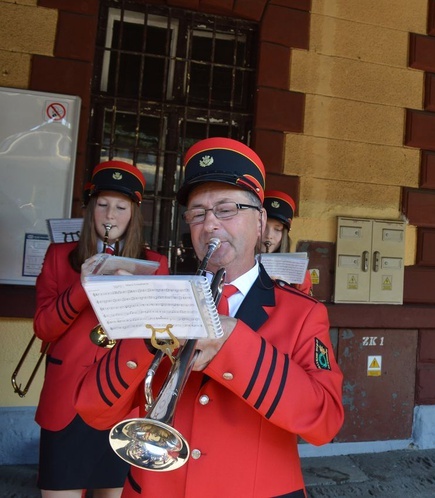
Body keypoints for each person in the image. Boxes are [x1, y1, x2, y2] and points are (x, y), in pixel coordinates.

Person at [75, 137, 344, 497]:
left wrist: (235, 342)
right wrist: (147, 332)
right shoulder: (160, 298)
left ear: (261, 221)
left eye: (226, 209)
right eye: (198, 213)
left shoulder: (302, 313)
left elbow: (324, 423)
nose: (210, 224)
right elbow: (94, 410)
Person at [34, 160, 169, 498]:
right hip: (66, 400)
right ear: (91, 210)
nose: (110, 216)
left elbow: (163, 337)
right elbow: (45, 329)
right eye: (103, 205)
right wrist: (83, 286)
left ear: (133, 214)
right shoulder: (59, 256)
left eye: (121, 207)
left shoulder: (155, 264)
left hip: (122, 397)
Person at [261, 189, 313, 295]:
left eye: (278, 229)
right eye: (263, 227)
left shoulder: (299, 271)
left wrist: (287, 292)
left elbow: (305, 307)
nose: (269, 235)